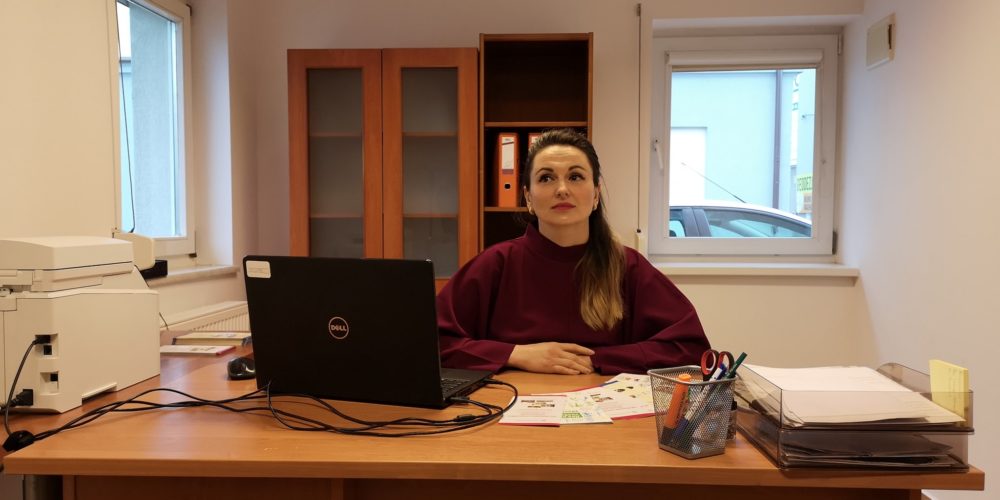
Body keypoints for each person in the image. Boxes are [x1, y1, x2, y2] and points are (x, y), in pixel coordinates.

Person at [437, 129, 710, 375]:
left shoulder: (627, 266)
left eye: (575, 176)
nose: (562, 190)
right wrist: (515, 354)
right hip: (509, 406)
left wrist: (596, 359)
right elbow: (433, 343)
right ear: (528, 197)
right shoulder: (495, 264)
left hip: (605, 408)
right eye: (546, 178)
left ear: (596, 194)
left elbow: (690, 349)